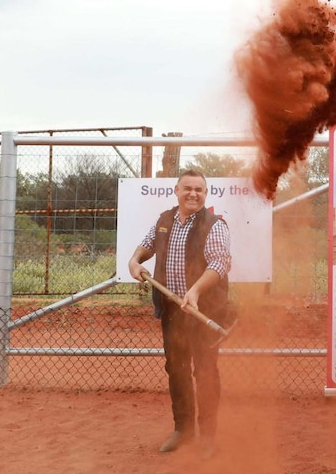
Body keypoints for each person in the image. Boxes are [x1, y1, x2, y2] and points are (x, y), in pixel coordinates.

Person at [128, 170, 231, 460]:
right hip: (173, 309)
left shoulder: (215, 225)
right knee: (176, 368)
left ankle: (208, 436)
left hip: (203, 311)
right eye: (188, 188)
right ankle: (182, 430)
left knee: (206, 371)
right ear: (176, 190)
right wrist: (134, 261)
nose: (193, 194)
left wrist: (195, 291)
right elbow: (147, 245)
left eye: (199, 189)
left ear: (206, 194)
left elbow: (220, 263)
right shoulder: (164, 221)